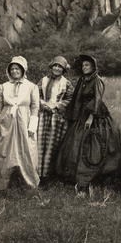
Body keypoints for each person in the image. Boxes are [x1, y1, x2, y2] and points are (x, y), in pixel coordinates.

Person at [54, 53, 121, 196]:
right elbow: (77, 99)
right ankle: (74, 175)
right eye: (83, 65)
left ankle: (93, 177)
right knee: (75, 142)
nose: (85, 67)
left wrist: (91, 117)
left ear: (93, 66)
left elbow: (97, 99)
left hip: (95, 115)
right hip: (82, 115)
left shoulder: (97, 80)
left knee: (93, 145)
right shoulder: (83, 80)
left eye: (87, 65)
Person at [0, 56, 41, 190]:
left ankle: (27, 181)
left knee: (26, 149)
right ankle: (5, 181)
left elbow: (35, 107)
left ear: (23, 70)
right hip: (7, 122)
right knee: (5, 149)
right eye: (12, 69)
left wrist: (32, 126)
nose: (14, 71)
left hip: (24, 121)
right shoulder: (3, 86)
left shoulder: (32, 87)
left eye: (17, 68)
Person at [36, 56, 74, 185]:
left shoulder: (66, 83)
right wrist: (43, 104)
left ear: (63, 69)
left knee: (53, 145)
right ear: (51, 67)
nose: (57, 68)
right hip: (43, 115)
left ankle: (49, 175)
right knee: (40, 143)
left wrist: (57, 106)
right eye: (55, 66)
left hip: (57, 118)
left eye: (60, 67)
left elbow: (69, 99)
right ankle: (38, 174)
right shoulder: (43, 80)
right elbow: (36, 95)